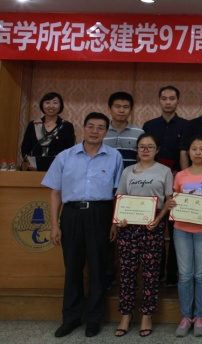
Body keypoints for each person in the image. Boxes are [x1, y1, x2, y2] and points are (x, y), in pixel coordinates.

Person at [42, 112, 124, 338]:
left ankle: (94, 320)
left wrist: (115, 222)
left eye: (100, 127)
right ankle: (71, 318)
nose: (95, 131)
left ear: (106, 132)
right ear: (83, 128)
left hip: (101, 214)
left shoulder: (114, 157)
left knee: (98, 269)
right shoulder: (65, 156)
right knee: (72, 269)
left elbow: (119, 193)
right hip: (71, 215)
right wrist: (54, 225)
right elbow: (55, 192)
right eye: (91, 126)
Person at [113, 133, 173, 338]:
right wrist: (119, 220)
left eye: (150, 147)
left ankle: (147, 315)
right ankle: (126, 315)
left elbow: (169, 200)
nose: (146, 150)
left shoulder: (165, 171)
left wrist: (159, 219)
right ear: (137, 150)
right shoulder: (127, 171)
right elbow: (120, 198)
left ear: (157, 150)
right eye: (142, 147)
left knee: (150, 274)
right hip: (128, 228)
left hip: (152, 226)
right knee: (127, 273)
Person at [171, 136, 202, 337]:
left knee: (201, 274)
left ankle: (199, 316)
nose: (198, 152)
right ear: (189, 152)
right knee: (185, 274)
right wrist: (172, 204)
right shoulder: (180, 175)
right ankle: (186, 316)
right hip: (181, 229)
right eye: (194, 148)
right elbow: (174, 201)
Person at [142, 85, 189, 288]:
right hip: (154, 183)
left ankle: (172, 275)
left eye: (172, 98)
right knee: (156, 229)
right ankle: (157, 272)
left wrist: (181, 176)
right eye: (164, 98)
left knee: (177, 229)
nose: (168, 102)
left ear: (178, 101)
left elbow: (187, 153)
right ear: (159, 100)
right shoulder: (149, 125)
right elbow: (144, 154)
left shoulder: (186, 125)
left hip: (178, 183)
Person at [21, 91, 76, 172]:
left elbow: (70, 151)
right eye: (47, 103)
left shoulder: (66, 126)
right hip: (34, 171)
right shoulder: (33, 125)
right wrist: (32, 163)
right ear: (42, 105)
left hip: (58, 171)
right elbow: (25, 150)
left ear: (60, 105)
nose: (51, 106)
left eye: (55, 103)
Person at [104, 91, 144, 168]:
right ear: (109, 109)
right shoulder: (101, 132)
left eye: (126, 107)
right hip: (106, 174)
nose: (121, 110)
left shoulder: (139, 133)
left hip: (132, 174)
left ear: (131, 110)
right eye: (117, 106)